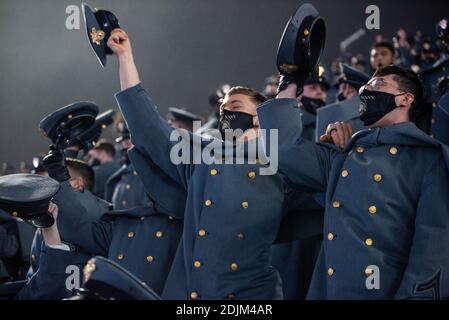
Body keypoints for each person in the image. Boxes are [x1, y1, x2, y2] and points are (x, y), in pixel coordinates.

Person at [108, 28, 324, 300]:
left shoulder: (283, 162)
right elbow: (148, 126)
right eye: (223, 110)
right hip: (190, 293)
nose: (225, 114)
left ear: (260, 117)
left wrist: (291, 85)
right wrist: (125, 57)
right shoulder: (202, 156)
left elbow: (330, 185)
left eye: (234, 106)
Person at [258, 64, 449, 299]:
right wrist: (289, 85)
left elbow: (432, 249)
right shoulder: (345, 155)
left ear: (405, 99)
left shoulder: (430, 159)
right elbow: (284, 151)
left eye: (379, 84)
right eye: (366, 86)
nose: (366, 90)